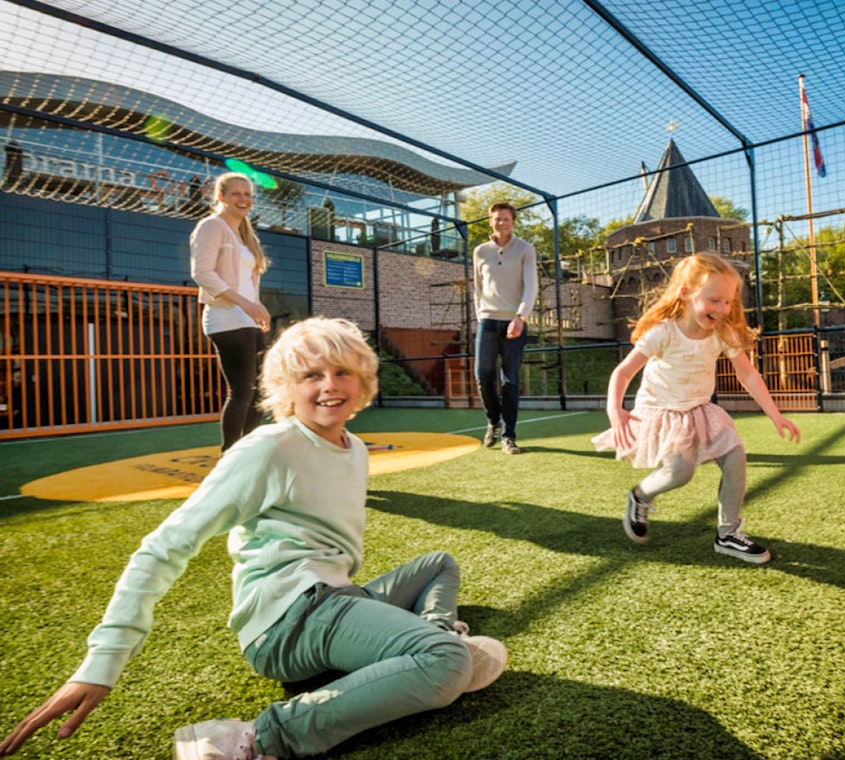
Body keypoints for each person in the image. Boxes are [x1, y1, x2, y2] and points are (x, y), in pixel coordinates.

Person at [0, 318, 507, 760]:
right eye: (311, 375)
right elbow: (164, 545)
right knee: (445, 665)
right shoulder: (270, 447)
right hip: (287, 620)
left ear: (364, 381)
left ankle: (439, 633)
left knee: (439, 562)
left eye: (342, 372)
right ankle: (254, 738)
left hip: (333, 598)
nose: (329, 386)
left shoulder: (354, 449)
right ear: (286, 389)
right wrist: (102, 662)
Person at [592, 253, 801, 564]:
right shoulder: (663, 332)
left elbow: (747, 373)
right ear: (686, 294)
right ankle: (640, 496)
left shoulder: (721, 332)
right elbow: (622, 372)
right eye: (714, 300)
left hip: (700, 410)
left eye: (728, 301)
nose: (722, 309)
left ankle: (728, 533)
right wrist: (615, 410)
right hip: (662, 411)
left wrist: (775, 413)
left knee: (735, 456)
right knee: (679, 472)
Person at [190, 172, 273, 452]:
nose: (244, 199)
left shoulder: (244, 235)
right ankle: (230, 456)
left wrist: (257, 306)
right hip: (225, 319)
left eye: (248, 194)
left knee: (259, 391)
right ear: (221, 197)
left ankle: (246, 452)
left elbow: (248, 282)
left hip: (248, 320)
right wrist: (246, 304)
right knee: (241, 392)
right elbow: (202, 273)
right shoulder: (211, 226)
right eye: (236, 193)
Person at [471, 201, 538, 455]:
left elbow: (531, 286)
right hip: (487, 321)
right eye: (497, 219)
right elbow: (478, 288)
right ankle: (492, 422)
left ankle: (509, 436)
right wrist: (480, 315)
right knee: (482, 375)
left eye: (506, 219)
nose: (501, 223)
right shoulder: (479, 252)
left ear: (513, 222)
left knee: (510, 381)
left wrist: (521, 317)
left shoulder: (525, 249)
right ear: (490, 221)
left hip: (515, 322)